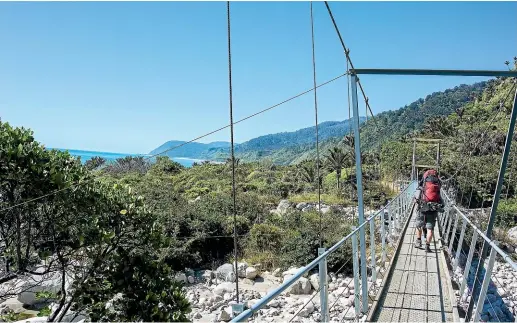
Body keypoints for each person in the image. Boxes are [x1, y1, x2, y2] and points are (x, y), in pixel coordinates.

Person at [414, 169, 445, 252]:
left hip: (422, 207)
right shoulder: (438, 184)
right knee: (430, 229)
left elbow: (416, 197)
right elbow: (440, 199)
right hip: (433, 209)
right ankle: (427, 246)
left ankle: (418, 241)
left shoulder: (423, 184)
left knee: (419, 225)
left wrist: (417, 201)